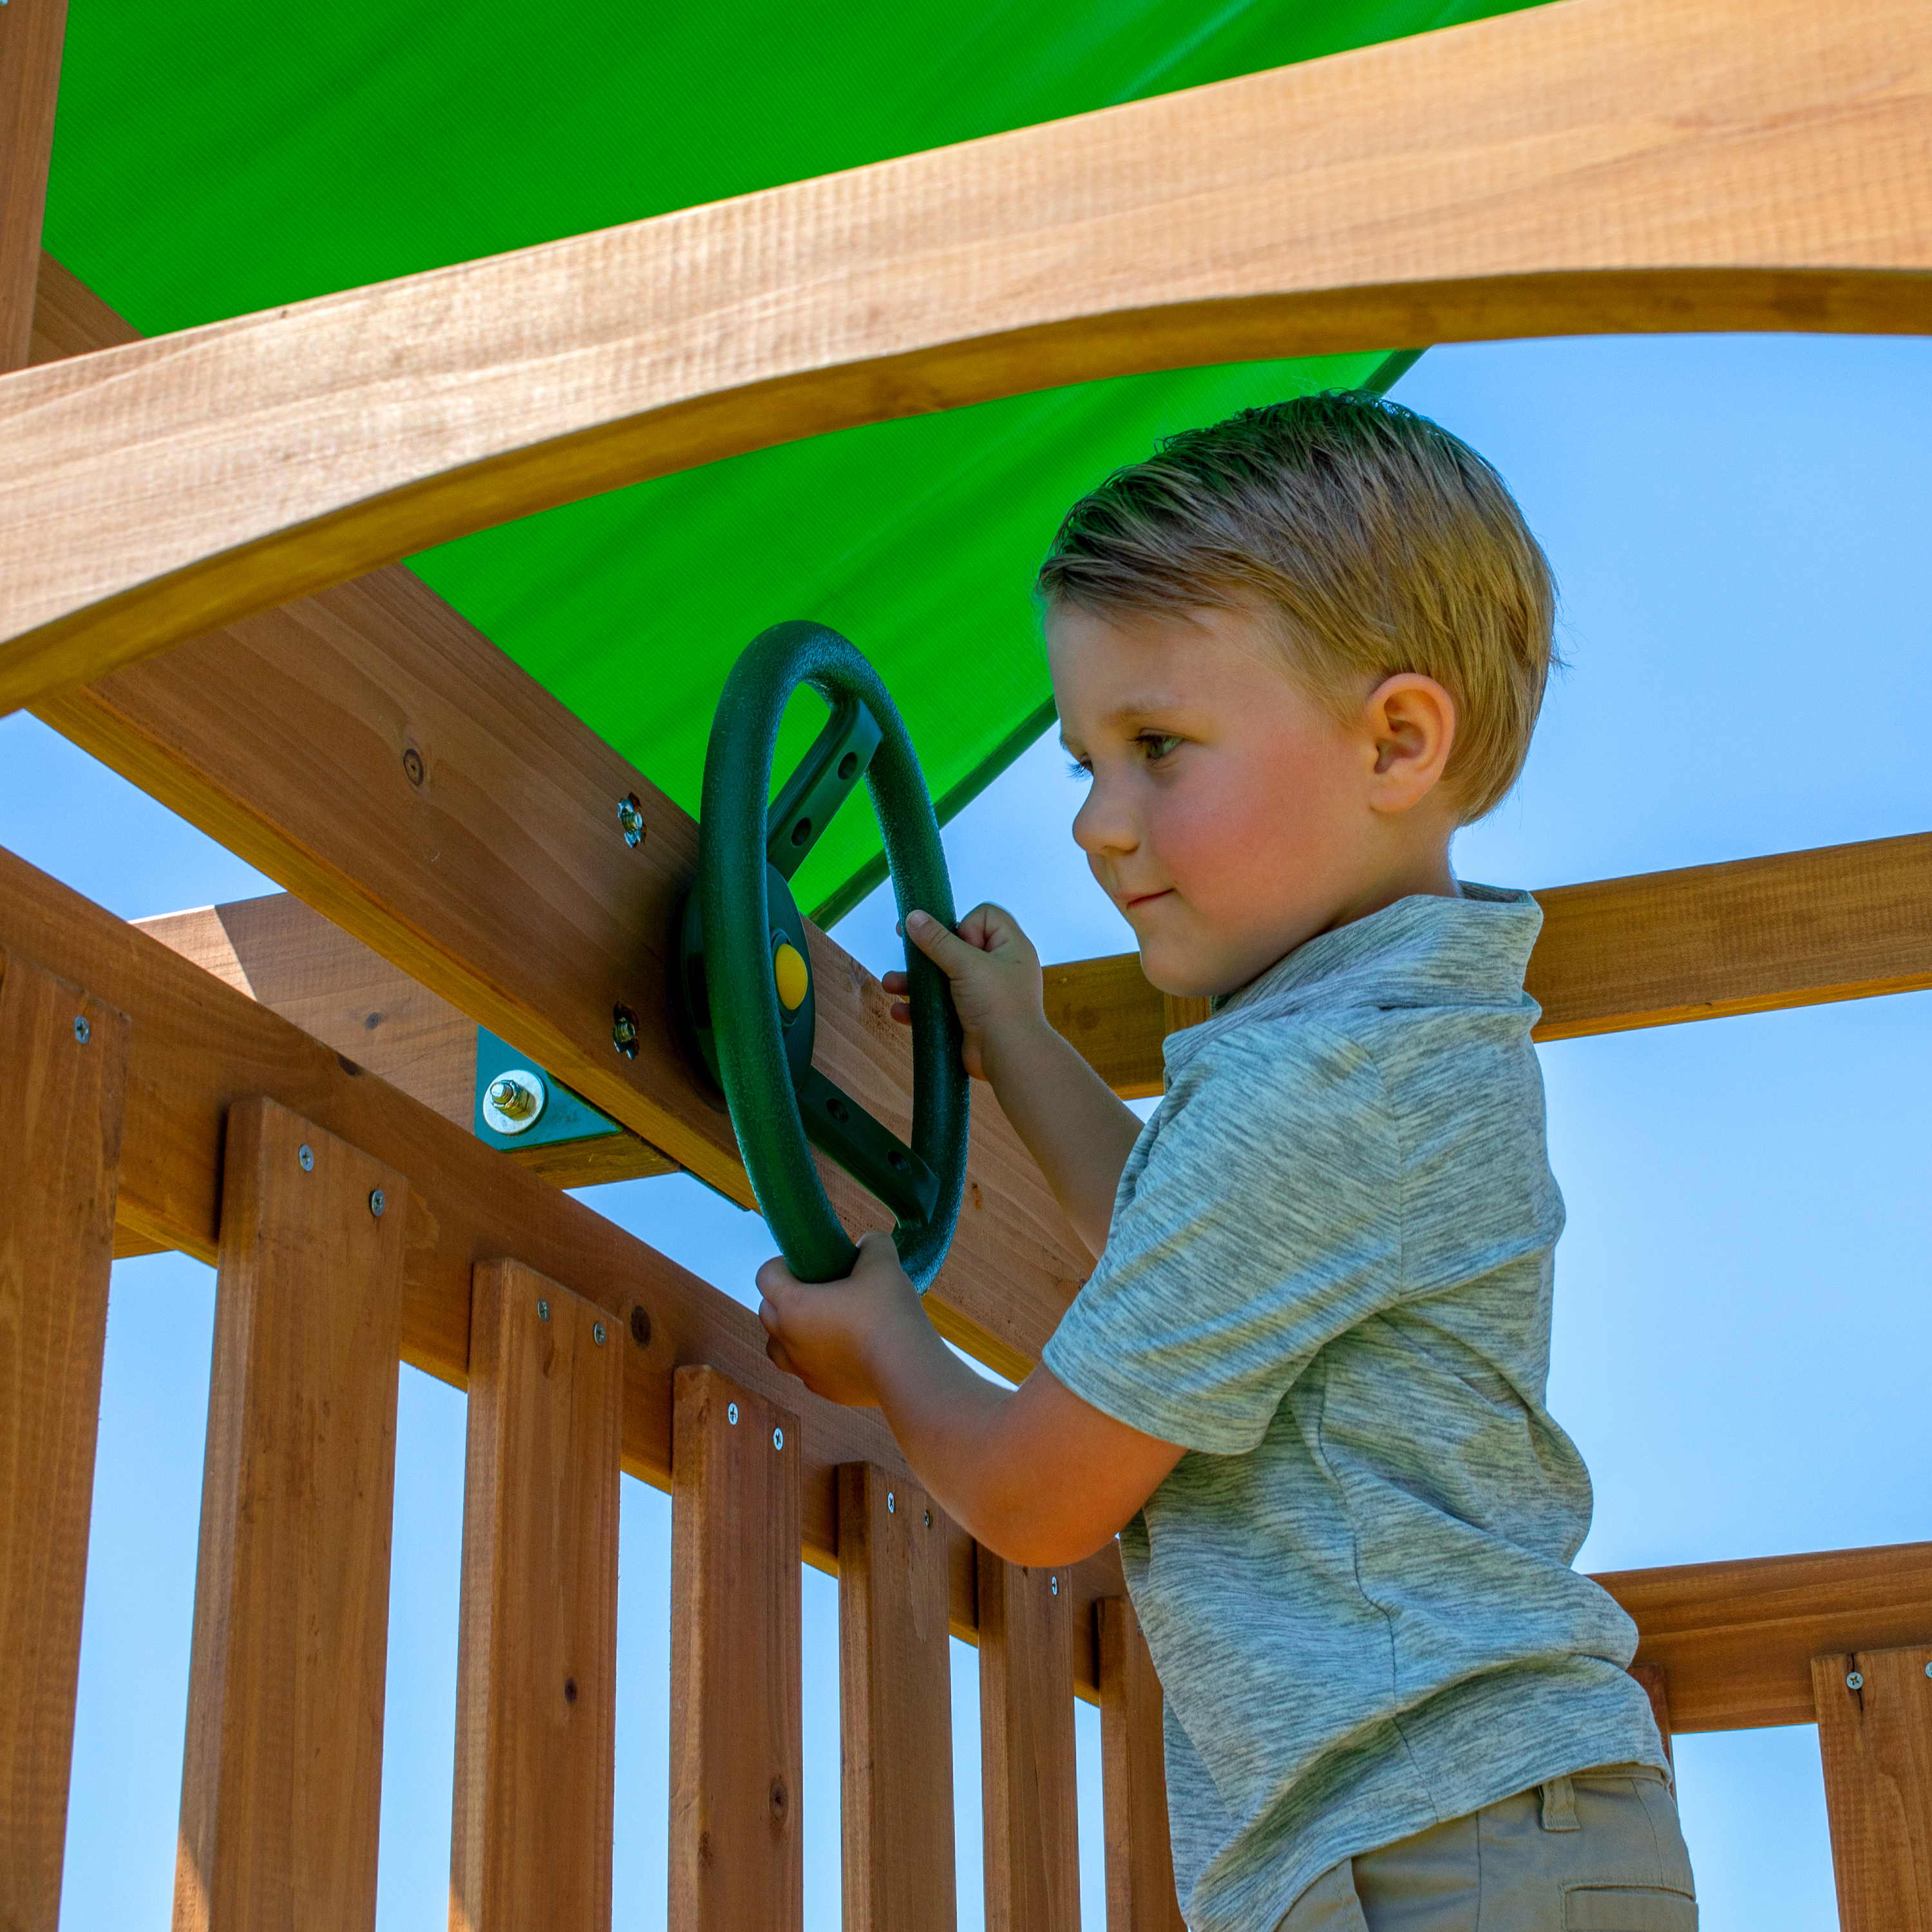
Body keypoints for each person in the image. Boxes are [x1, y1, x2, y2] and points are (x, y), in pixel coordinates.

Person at [756, 392, 1696, 1932]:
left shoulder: (1321, 1081)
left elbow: (1041, 1499)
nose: (1098, 828)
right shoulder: (1396, 1030)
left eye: (1158, 749)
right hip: (1476, 1831)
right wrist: (1026, 1046)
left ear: (1396, 740)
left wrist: (890, 1354)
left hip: (1438, 1843)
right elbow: (1188, 1239)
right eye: (1082, 767)